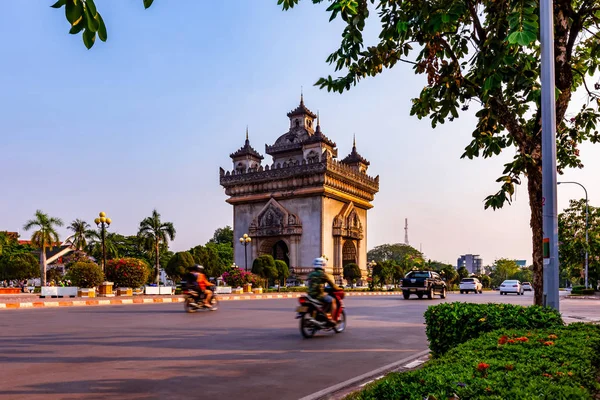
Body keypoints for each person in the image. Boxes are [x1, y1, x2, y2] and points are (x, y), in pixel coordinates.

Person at [307, 257, 342, 322]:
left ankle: (321, 314)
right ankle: (331, 319)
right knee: (332, 300)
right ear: (323, 265)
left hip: (310, 295)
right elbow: (332, 285)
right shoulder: (323, 275)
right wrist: (339, 288)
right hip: (318, 295)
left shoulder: (310, 274)